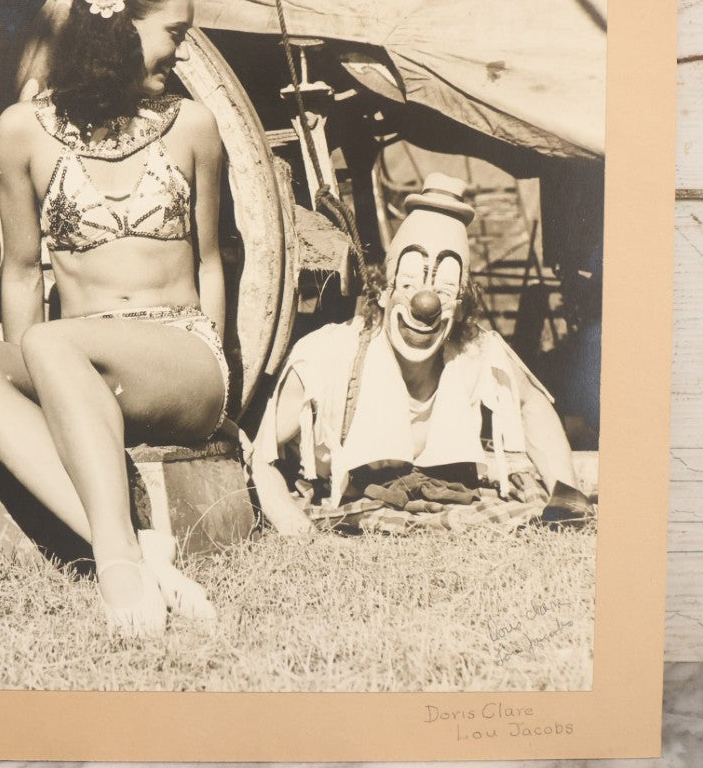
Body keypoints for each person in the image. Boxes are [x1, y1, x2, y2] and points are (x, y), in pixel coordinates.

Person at [0, 0, 226, 636]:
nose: (182, 52)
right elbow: (19, 271)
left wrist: (225, 392)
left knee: (50, 342)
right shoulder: (22, 131)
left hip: (181, 356)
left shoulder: (193, 125)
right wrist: (31, 378)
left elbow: (213, 261)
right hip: (72, 361)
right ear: (122, 26)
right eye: (175, 33)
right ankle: (136, 547)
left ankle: (118, 564)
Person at [251, 173, 590, 536]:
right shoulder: (329, 357)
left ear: (460, 307)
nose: (425, 305)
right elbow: (262, 454)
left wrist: (567, 496)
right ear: (384, 292)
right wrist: (292, 523)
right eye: (410, 283)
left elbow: (531, 405)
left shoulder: (476, 352)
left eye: (445, 290)